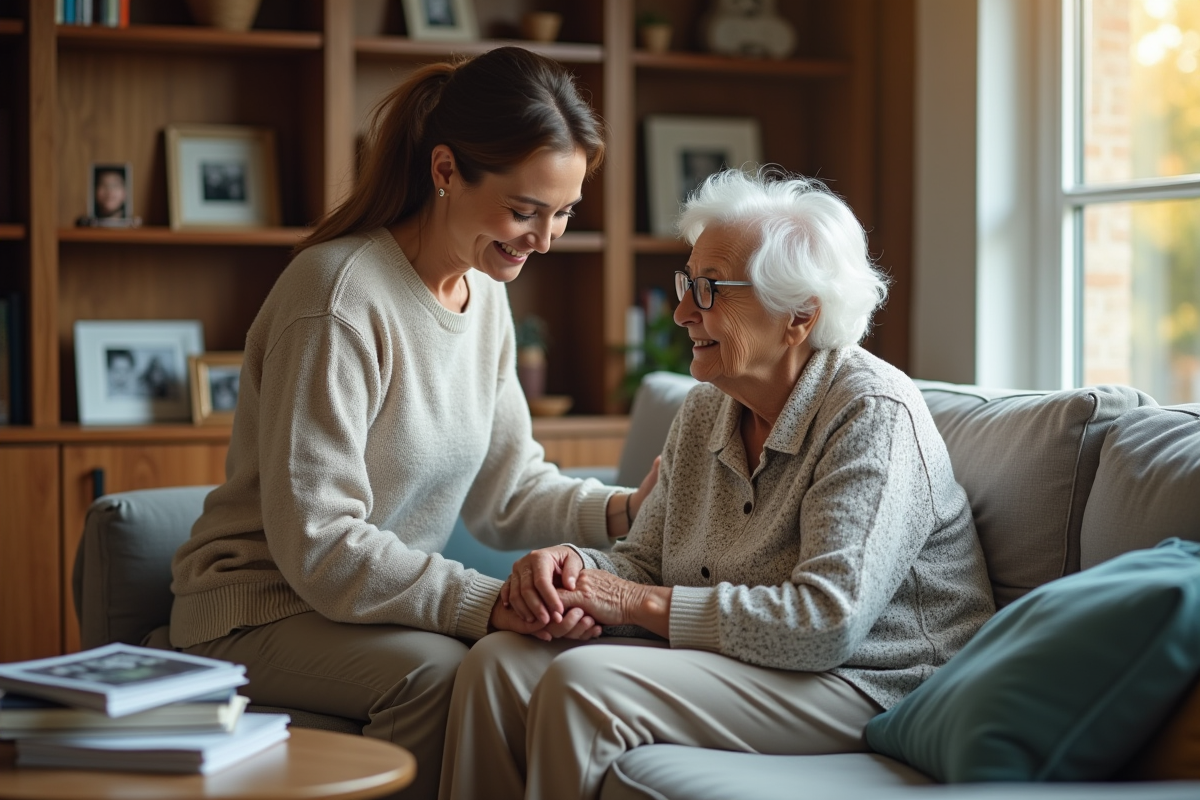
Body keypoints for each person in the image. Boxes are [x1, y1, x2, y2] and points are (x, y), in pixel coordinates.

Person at [168, 47, 655, 800]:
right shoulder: (337, 298)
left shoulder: (485, 292)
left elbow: (508, 488)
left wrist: (624, 508)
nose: (545, 239)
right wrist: (485, 602)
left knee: (530, 664)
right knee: (443, 674)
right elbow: (321, 543)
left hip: (356, 608)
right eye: (524, 211)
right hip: (258, 608)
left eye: (563, 213)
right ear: (445, 170)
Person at [439, 169, 996, 800]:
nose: (681, 312)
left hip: (871, 681)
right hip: (753, 661)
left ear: (799, 316)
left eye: (709, 290)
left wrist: (627, 603)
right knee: (497, 664)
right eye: (686, 284)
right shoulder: (707, 408)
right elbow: (642, 564)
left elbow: (827, 621)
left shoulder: (872, 414)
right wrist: (570, 571)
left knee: (585, 687)